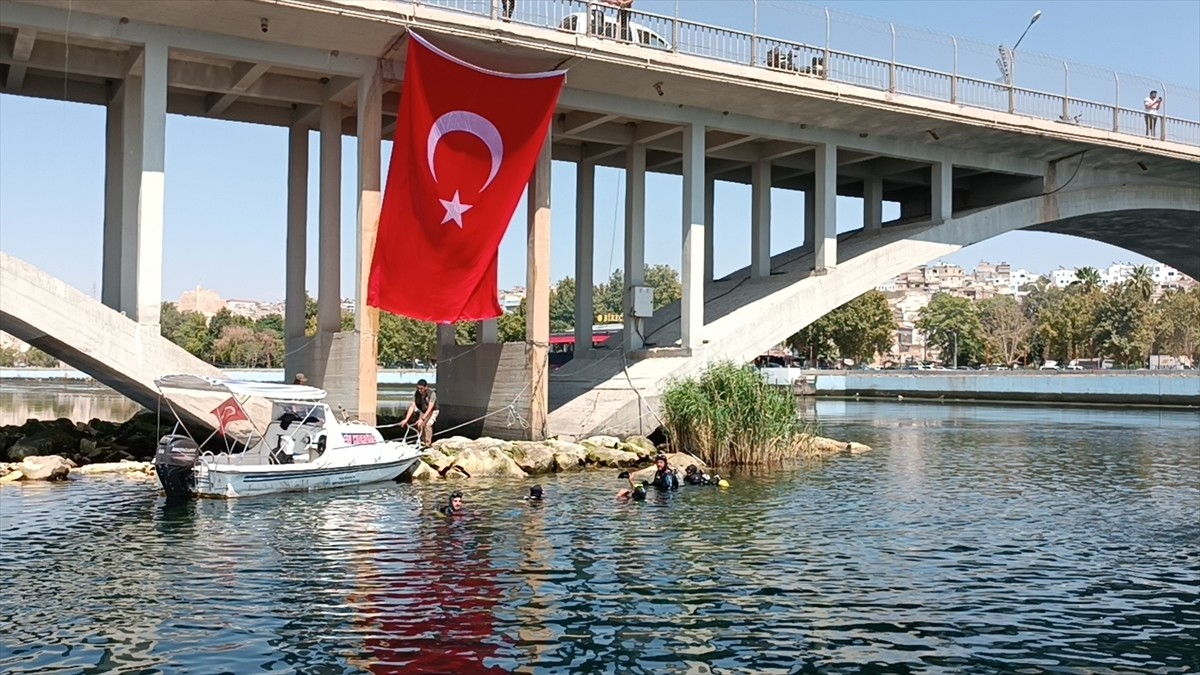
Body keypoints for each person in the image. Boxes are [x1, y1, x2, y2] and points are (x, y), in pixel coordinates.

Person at [399, 379, 439, 446]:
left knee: (428, 425)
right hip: (423, 410)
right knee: (419, 425)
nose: (419, 390)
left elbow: (430, 408)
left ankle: (428, 443)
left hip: (433, 411)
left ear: (426, 387)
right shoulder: (417, 394)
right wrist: (406, 419)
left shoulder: (432, 394)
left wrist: (422, 419)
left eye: (421, 388)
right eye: (418, 388)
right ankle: (422, 441)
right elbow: (412, 406)